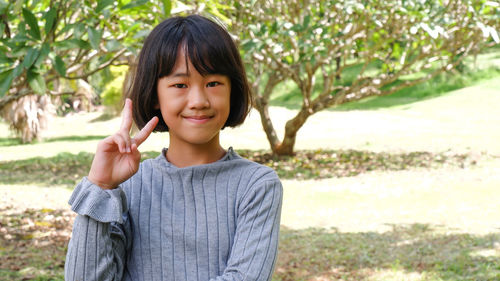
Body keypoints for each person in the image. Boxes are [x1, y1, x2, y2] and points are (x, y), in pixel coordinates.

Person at [64, 15, 283, 281]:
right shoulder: (130, 187)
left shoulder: (256, 185)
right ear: (155, 96)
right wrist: (100, 186)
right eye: (180, 85)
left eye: (213, 83)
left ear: (232, 90)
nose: (199, 100)